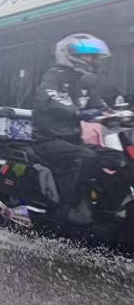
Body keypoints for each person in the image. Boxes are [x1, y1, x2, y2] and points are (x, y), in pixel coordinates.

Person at [32, 33, 121, 224]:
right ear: (70, 54)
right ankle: (67, 208)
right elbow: (48, 98)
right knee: (86, 157)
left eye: (94, 56)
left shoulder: (85, 82)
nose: (92, 60)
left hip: (72, 141)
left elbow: (98, 105)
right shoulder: (54, 75)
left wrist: (114, 114)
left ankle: (107, 207)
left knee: (117, 158)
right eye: (87, 56)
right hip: (49, 141)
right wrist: (78, 112)